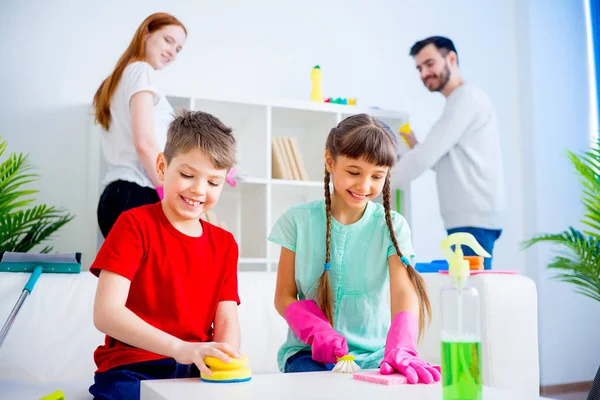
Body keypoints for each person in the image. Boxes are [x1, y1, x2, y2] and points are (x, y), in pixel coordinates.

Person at [269, 114, 441, 385]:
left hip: (375, 357)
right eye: (353, 172)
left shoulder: (393, 226)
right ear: (330, 161)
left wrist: (402, 344)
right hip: (308, 355)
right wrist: (315, 330)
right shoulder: (296, 221)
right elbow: (284, 296)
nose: (364, 186)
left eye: (377, 176)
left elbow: (403, 290)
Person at [88, 110, 241, 400]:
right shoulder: (133, 225)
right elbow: (106, 313)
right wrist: (180, 349)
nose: (198, 189)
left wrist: (224, 360)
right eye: (187, 174)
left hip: (196, 370)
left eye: (213, 182)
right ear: (161, 166)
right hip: (132, 368)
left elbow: (227, 322)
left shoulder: (225, 244)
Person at [395, 36, 505, 270]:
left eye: (429, 63)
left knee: (468, 297)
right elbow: (445, 159)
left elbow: (425, 158)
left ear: (451, 58)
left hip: (473, 220)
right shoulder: (461, 101)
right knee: (465, 294)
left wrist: (374, 181)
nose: (424, 73)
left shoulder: (466, 99)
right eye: (419, 68)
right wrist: (417, 146)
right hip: (469, 218)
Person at [93, 12, 187, 238]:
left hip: (118, 195)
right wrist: (168, 190)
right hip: (136, 196)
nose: (172, 53)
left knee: (125, 274)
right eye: (168, 40)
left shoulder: (118, 78)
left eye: (178, 49)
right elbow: (144, 143)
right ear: (146, 33)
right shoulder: (141, 71)